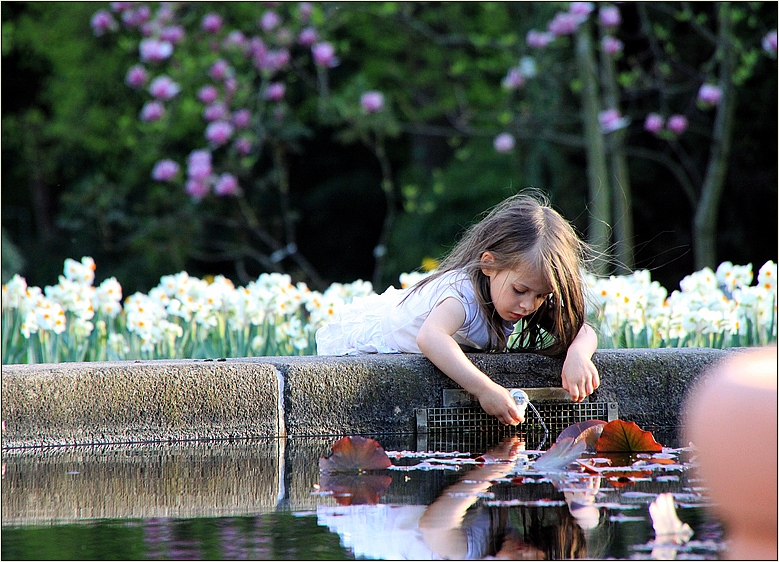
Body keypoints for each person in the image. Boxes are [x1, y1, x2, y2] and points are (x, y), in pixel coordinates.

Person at [317, 190, 600, 425]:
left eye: (541, 295)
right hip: (368, 340)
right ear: (489, 264)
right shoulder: (461, 296)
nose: (528, 304)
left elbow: (581, 329)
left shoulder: (527, 295)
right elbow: (431, 337)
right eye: (520, 290)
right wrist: (484, 389)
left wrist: (578, 355)